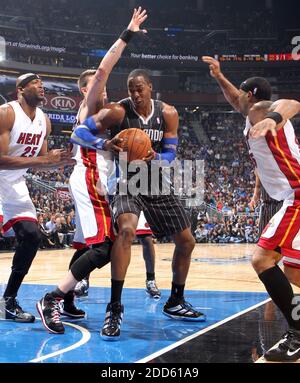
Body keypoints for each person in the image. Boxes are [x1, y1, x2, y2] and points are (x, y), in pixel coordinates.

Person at [36, 7, 148, 334]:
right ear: (85, 90)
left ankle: (67, 301)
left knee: (89, 247)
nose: (103, 88)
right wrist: (127, 33)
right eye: (96, 85)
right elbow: (102, 70)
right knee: (105, 248)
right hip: (87, 179)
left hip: (97, 182)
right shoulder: (90, 105)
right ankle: (52, 298)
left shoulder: (105, 116)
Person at [72, 68, 206, 340]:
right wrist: (104, 143)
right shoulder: (118, 112)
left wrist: (155, 158)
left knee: (187, 241)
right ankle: (115, 307)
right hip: (125, 181)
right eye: (131, 88)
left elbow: (171, 153)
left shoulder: (167, 113)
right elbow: (78, 133)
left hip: (154, 179)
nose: (134, 94)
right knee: (127, 231)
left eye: (139, 88)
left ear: (150, 88)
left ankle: (175, 300)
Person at [202, 55, 300, 361]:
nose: (236, 101)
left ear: (252, 96)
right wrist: (220, 76)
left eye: (240, 97)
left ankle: (297, 332)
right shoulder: (249, 112)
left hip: (297, 195)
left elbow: (292, 103)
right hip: (291, 197)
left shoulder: (262, 111)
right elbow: (235, 98)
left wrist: (273, 118)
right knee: (294, 274)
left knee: (261, 259)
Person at [0, 73, 74, 322]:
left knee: (32, 236)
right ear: (20, 89)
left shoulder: (44, 121)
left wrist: (58, 162)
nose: (41, 86)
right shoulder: (6, 113)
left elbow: (40, 163)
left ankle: (8, 301)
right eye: (34, 83)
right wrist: (44, 160)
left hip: (14, 184)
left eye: (42, 84)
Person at [75, 211, 161, 300]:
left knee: (146, 238)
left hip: (136, 199)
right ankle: (84, 280)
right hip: (110, 201)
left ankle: (151, 280)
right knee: (95, 237)